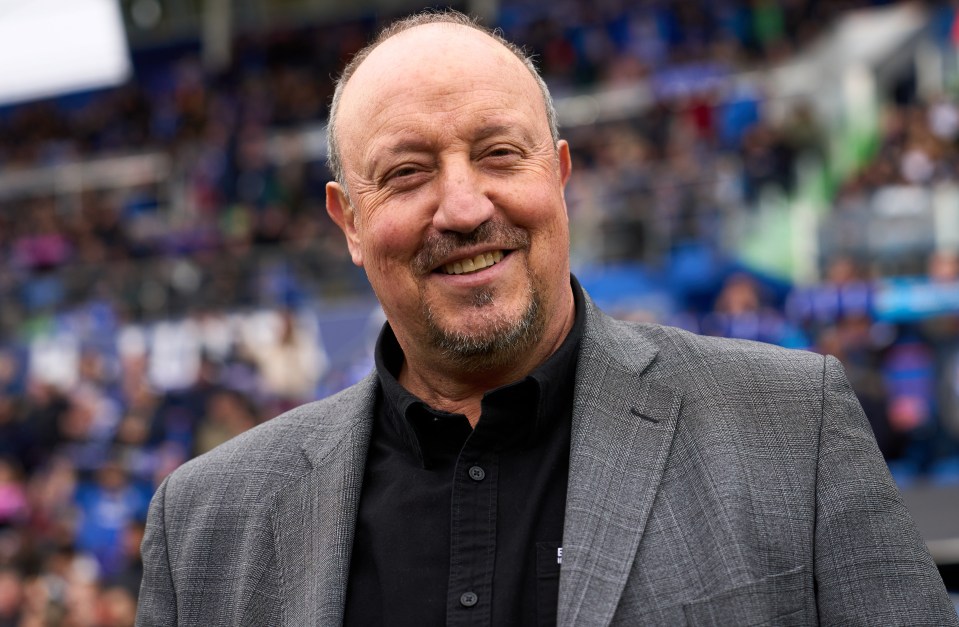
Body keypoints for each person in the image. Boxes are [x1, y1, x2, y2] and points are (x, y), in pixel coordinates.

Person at [135, 11, 958, 626]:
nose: (461, 207)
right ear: (347, 221)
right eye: (407, 171)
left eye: (498, 154)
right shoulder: (204, 524)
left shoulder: (791, 424)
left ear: (558, 175)